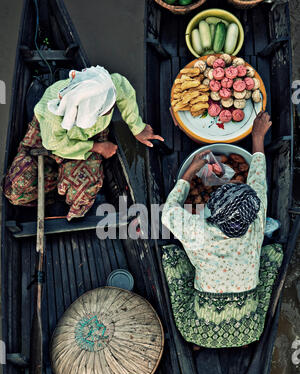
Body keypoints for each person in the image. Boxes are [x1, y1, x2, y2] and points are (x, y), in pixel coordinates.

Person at [161, 112, 283, 349]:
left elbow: (168, 211)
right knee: (274, 253)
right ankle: (239, 341)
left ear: (212, 213)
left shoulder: (197, 230)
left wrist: (191, 171)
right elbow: (258, 180)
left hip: (196, 329)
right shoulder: (256, 220)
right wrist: (258, 137)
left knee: (173, 258)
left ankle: (199, 343)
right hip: (250, 330)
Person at [3, 65, 163, 220]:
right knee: (14, 192)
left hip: (87, 137)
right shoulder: (52, 113)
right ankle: (55, 190)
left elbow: (124, 90)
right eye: (107, 110)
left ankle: (62, 188)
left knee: (82, 196)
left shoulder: (105, 86)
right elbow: (55, 145)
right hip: (50, 140)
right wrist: (98, 147)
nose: (111, 110)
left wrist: (137, 128)